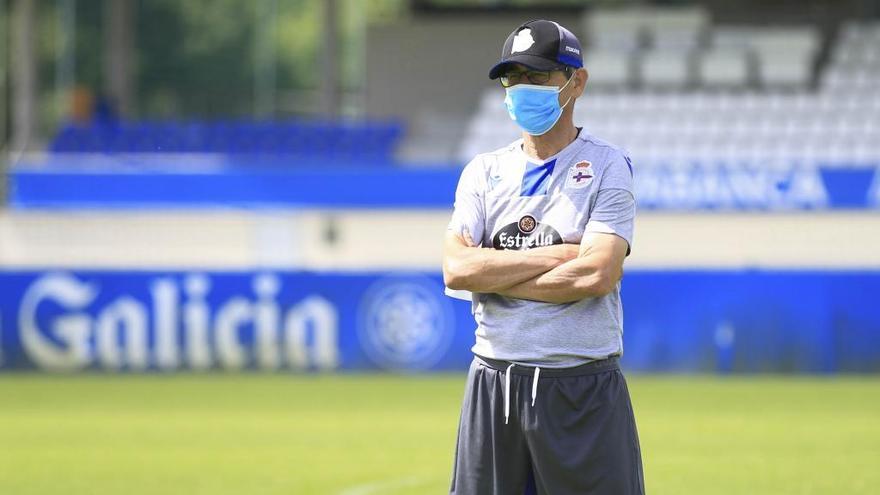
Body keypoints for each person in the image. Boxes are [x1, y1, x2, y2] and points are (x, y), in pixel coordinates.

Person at [442, 19, 645, 495]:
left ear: (577, 82)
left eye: (537, 77)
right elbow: (456, 268)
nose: (521, 90)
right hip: (493, 384)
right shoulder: (483, 170)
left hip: (581, 384)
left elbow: (595, 273)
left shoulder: (607, 165)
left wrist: (492, 275)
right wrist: (557, 255)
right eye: (512, 78)